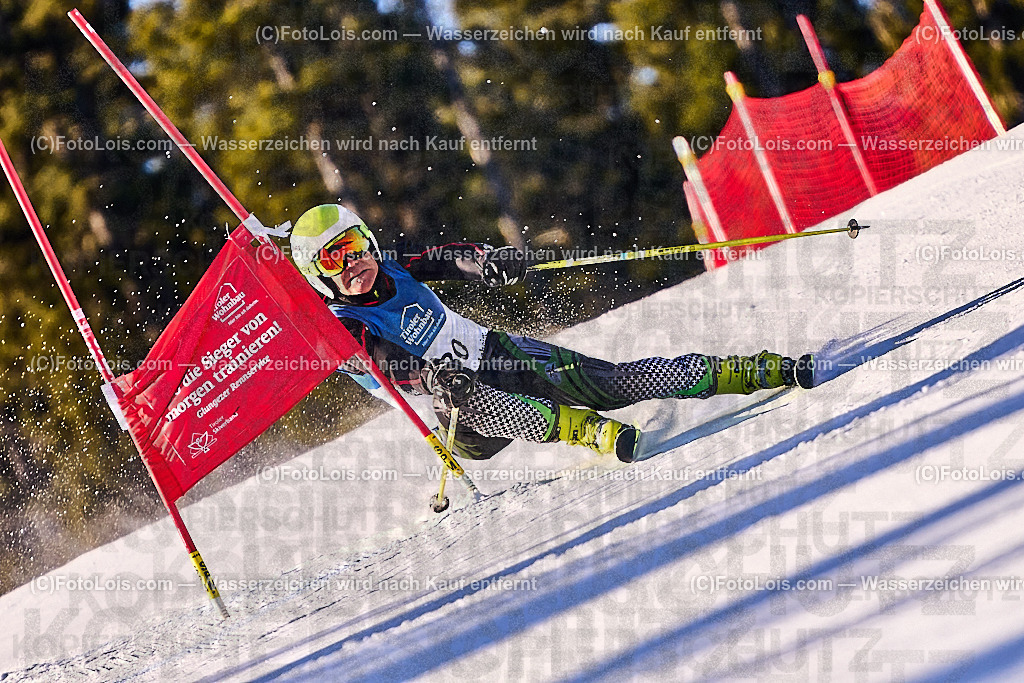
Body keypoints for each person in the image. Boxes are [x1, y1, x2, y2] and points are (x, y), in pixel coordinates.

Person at [289, 204, 811, 463]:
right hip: (454, 421)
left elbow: (448, 259)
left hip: (493, 354)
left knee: (612, 382)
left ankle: (746, 370)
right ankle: (584, 430)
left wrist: (489, 263)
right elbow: (386, 360)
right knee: (467, 391)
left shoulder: (394, 267)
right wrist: (431, 378)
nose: (353, 262)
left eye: (355, 244)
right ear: (318, 273)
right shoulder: (341, 327)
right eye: (334, 257)